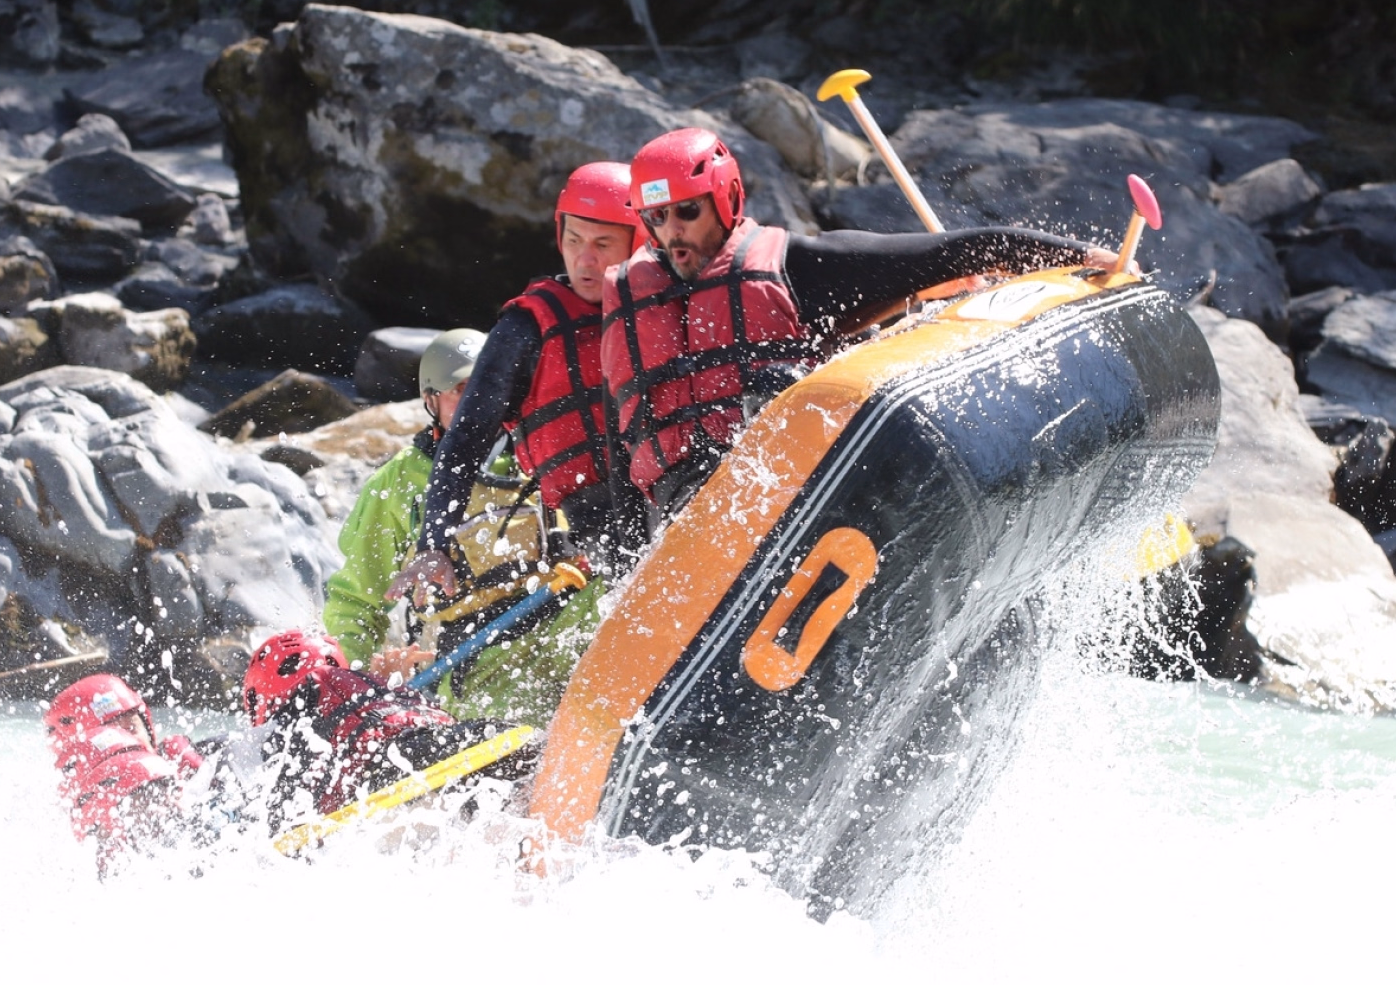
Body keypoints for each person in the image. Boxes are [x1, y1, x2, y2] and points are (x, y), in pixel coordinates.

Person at [605, 126, 1124, 528]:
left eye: (687, 212)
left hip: (785, 502)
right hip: (682, 521)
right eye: (656, 218)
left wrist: (1077, 257)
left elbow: (951, 251)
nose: (671, 233)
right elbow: (626, 438)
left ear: (726, 198)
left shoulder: (798, 268)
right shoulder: (630, 302)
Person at [386, 163, 648, 724]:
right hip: (608, 531)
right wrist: (434, 541)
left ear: (641, 239)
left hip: (677, 501)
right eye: (573, 241)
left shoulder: (674, 299)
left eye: (604, 244)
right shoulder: (525, 332)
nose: (585, 259)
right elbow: (462, 445)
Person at [214, 628, 536, 831]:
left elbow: (285, 778)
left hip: (385, 766)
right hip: (440, 739)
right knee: (516, 752)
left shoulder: (301, 699)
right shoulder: (365, 682)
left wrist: (277, 830)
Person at [322, 328, 485, 680]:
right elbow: (358, 601)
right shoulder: (398, 481)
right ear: (431, 400)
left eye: (487, 384)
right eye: (461, 390)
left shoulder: (536, 460)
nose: (479, 399)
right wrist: (348, 681)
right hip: (460, 668)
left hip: (552, 631)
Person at [43, 674, 204, 874]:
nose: (128, 743)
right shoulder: (57, 828)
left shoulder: (185, 765)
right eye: (114, 735)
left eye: (132, 728)